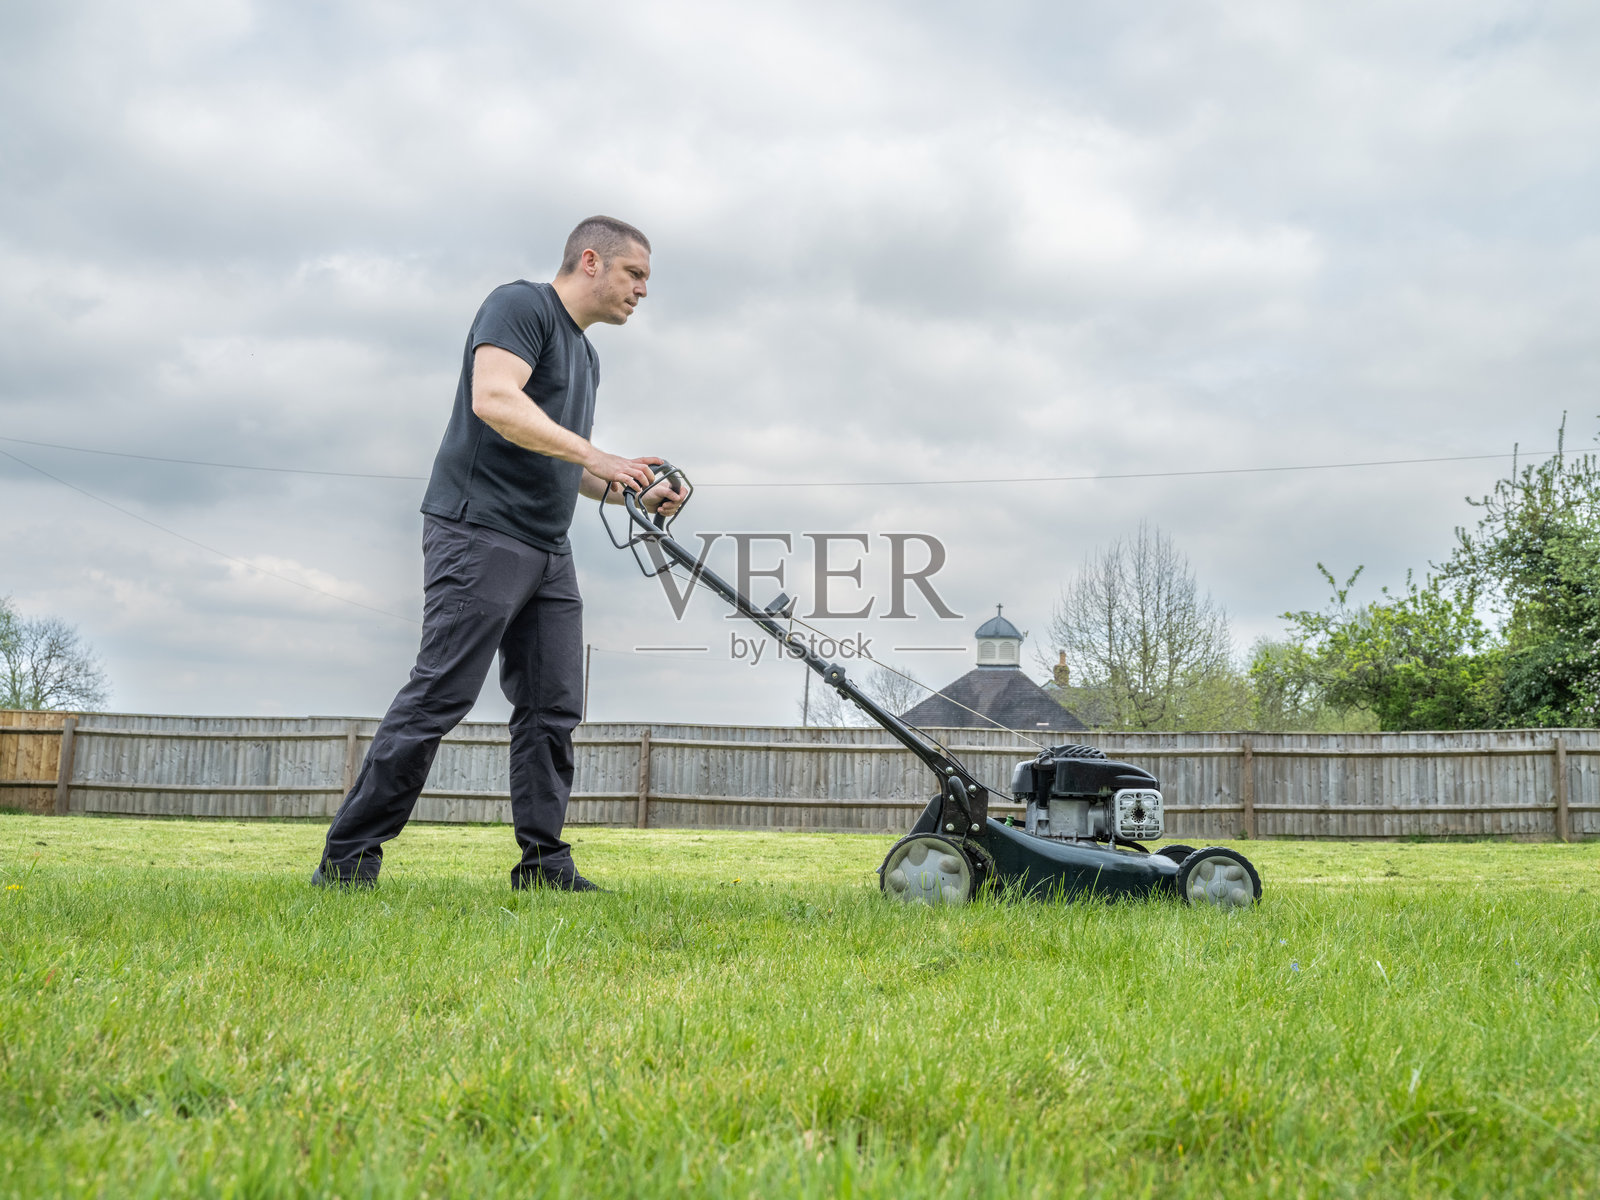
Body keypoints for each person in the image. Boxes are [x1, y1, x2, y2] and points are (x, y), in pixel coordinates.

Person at [313, 215, 680, 891]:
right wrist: (598, 453)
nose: (643, 291)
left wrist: (629, 487)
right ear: (592, 262)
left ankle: (543, 865)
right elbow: (495, 401)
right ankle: (348, 860)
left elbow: (563, 461)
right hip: (479, 529)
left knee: (554, 706)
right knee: (440, 694)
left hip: (547, 546)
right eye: (636, 275)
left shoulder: (587, 356)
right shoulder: (520, 306)